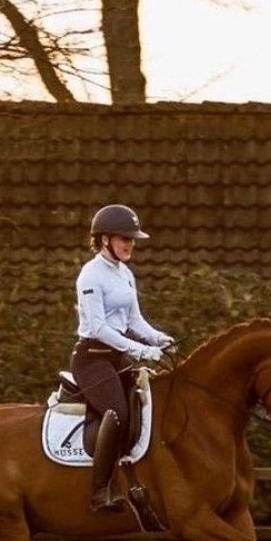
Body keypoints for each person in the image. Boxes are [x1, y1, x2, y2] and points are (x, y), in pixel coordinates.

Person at [72, 204, 174, 511]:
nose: (130, 244)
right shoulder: (90, 275)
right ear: (104, 240)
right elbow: (99, 327)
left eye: (132, 239)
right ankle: (99, 492)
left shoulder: (125, 273)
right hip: (93, 359)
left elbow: (134, 321)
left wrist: (159, 339)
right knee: (117, 413)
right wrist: (142, 350)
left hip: (118, 359)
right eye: (123, 238)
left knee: (149, 407)